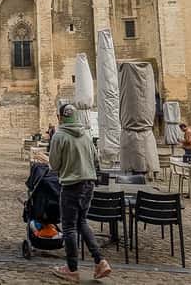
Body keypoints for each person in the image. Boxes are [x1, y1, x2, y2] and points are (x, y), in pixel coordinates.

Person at [49, 102, 111, 282]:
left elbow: (54, 165)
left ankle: (72, 268)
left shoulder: (59, 136)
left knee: (68, 227)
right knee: (82, 222)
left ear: (60, 117)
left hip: (71, 185)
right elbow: (95, 159)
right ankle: (100, 261)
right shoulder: (86, 134)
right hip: (89, 183)